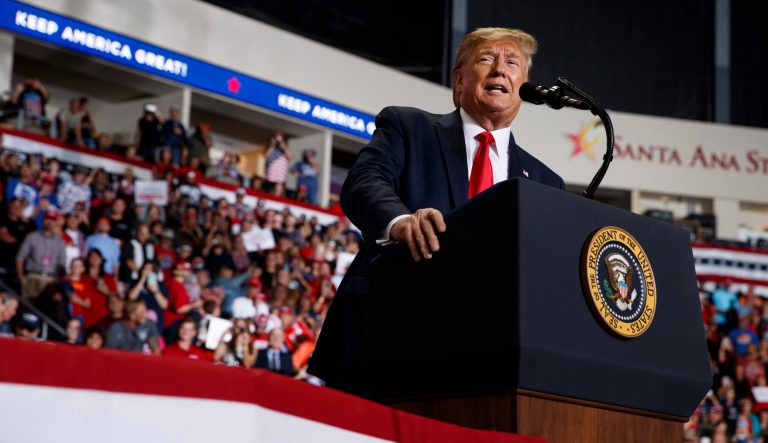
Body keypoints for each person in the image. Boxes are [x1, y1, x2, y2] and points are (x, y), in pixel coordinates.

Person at [308, 27, 565, 394]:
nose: (500, 70)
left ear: (523, 87)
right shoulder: (409, 126)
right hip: (390, 336)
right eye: (486, 59)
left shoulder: (545, 182)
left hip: (489, 360)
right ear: (459, 81)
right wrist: (400, 221)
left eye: (512, 63)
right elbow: (365, 181)